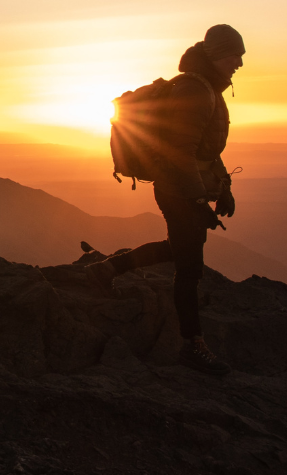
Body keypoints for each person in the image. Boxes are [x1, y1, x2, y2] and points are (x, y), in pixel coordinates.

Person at [87, 24, 244, 375]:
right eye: (234, 55)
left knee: (179, 248)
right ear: (217, 54)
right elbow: (179, 152)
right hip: (177, 189)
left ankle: (108, 268)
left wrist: (224, 189)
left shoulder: (208, 89)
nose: (239, 63)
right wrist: (198, 201)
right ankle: (193, 345)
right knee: (189, 269)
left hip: (188, 188)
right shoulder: (195, 91)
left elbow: (207, 149)